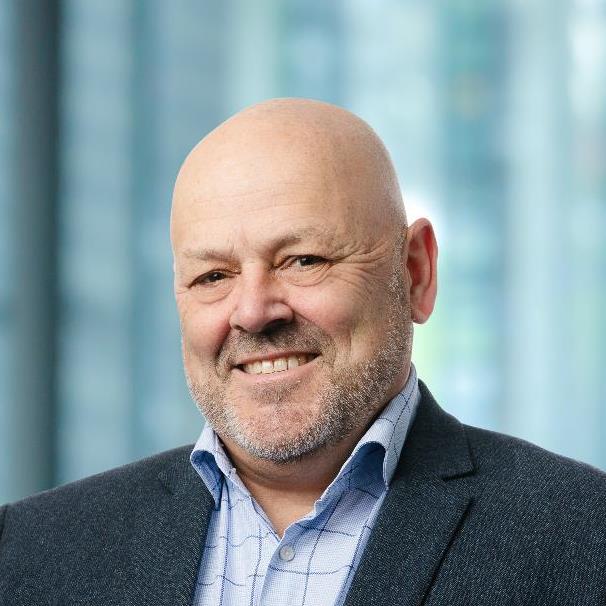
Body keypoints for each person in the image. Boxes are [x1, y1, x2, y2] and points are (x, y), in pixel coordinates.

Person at [0, 99, 605, 606]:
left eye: (304, 260)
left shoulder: (584, 539)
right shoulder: (27, 553)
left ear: (415, 273)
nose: (254, 311)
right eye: (213, 276)